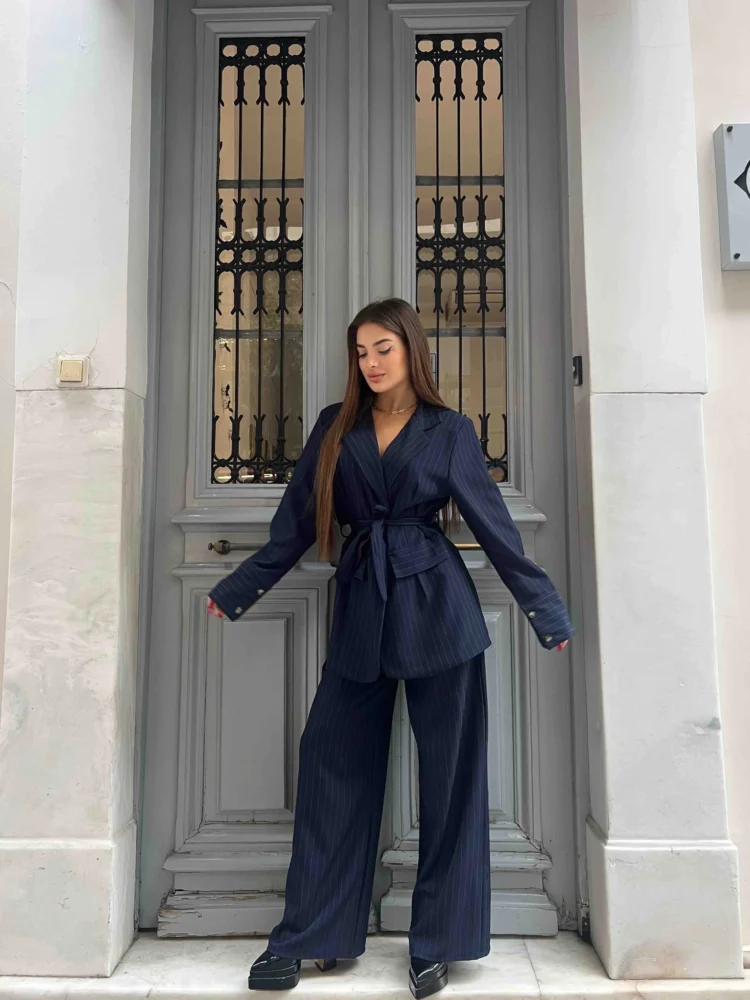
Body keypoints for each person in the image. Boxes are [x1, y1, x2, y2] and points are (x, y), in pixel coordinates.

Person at [207, 297, 574, 997]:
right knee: (330, 764)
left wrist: (544, 611)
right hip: (361, 610)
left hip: (439, 611)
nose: (371, 363)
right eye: (361, 351)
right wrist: (240, 585)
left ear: (411, 349)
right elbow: (296, 523)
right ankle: (311, 934)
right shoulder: (335, 426)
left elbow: (494, 526)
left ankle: (439, 941)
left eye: (384, 348)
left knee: (452, 778)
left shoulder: (449, 430)